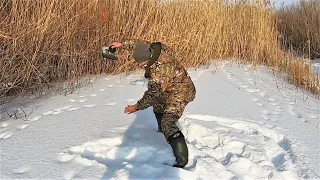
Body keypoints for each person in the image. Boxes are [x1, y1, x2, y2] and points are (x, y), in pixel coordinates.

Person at [110, 39, 196, 168]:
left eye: (141, 63)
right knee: (158, 107)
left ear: (148, 58)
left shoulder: (160, 70)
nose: (139, 65)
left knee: (168, 120)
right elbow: (138, 44)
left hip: (181, 91)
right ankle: (163, 136)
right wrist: (122, 45)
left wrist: (136, 107)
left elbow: (153, 95)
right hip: (169, 86)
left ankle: (181, 161)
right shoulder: (153, 49)